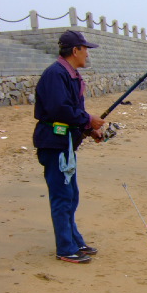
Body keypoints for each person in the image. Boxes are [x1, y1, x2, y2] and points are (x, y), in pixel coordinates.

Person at [33, 30, 105, 263]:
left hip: (65, 144)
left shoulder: (70, 74)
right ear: (75, 50)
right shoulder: (55, 74)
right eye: (85, 49)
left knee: (71, 195)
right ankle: (65, 248)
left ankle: (74, 240)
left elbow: (71, 111)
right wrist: (88, 119)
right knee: (62, 196)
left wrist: (89, 129)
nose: (87, 54)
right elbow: (59, 109)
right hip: (54, 144)